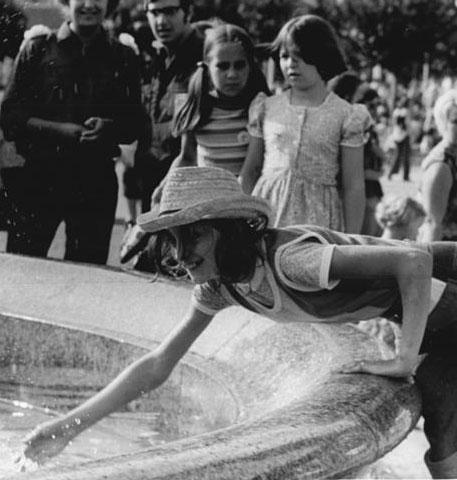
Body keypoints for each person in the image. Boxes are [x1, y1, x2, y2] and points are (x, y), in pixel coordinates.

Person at [23, 165, 457, 479]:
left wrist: (401, 360)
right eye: (172, 238)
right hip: (437, 324)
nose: (178, 252)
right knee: (443, 444)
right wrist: (67, 426)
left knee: (443, 437)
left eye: (193, 234)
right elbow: (158, 364)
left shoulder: (291, 261)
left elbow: (413, 261)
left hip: (448, 310)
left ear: (228, 230)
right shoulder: (222, 287)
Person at [0, 0, 146, 264]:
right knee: (22, 270)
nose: (89, 4)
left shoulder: (123, 56)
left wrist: (110, 128)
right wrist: (59, 131)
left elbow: (135, 123)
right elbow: (10, 118)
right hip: (39, 177)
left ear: (110, 1)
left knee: (86, 279)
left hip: (94, 183)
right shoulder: (38, 48)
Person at [121, 22, 270, 268]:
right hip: (205, 207)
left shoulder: (258, 107)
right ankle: (145, 241)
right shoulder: (196, 105)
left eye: (239, 65)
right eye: (222, 66)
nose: (232, 74)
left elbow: (254, 168)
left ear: (251, 66)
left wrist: (239, 207)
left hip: (242, 203)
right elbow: (187, 156)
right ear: (206, 67)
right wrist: (166, 183)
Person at [240, 14, 368, 233]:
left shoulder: (345, 114)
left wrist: (351, 239)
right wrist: (239, 221)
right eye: (284, 56)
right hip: (268, 214)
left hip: (319, 220)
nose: (291, 64)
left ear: (323, 57)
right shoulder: (266, 108)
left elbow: (353, 185)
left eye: (300, 56)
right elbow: (251, 170)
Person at [132, 0, 203, 213]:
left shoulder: (208, 56)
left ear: (188, 12)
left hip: (190, 184)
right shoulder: (152, 58)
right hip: (150, 181)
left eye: (170, 11)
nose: (161, 21)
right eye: (154, 12)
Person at [328, 72, 385, 236]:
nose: (370, 108)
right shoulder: (336, 130)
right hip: (348, 203)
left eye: (374, 104)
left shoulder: (367, 129)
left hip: (372, 196)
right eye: (364, 101)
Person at [420, 90, 457, 241]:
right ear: (443, 121)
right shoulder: (441, 164)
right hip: (446, 256)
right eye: (456, 121)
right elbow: (433, 225)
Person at [387, 102, 412, 182]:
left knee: (398, 156)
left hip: (397, 135)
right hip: (403, 135)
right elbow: (403, 124)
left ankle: (392, 173)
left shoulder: (396, 111)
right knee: (405, 157)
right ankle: (405, 176)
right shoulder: (404, 111)